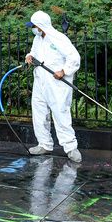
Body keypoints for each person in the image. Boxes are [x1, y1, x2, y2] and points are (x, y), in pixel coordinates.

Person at [24, 10, 82, 163]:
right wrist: (29, 56)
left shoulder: (59, 39)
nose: (33, 28)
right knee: (39, 112)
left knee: (60, 113)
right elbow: (33, 53)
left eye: (34, 26)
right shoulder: (38, 38)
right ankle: (44, 144)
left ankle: (70, 148)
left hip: (56, 83)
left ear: (41, 26)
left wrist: (64, 71)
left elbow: (74, 58)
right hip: (40, 81)